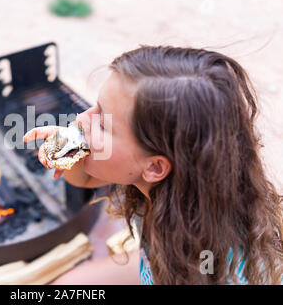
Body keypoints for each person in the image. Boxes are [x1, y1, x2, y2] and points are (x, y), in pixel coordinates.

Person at [22, 46, 282, 285]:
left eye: (102, 123)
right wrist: (69, 150)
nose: (81, 119)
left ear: (156, 168)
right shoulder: (178, 173)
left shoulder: (213, 269)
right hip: (156, 261)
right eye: (97, 108)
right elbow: (86, 180)